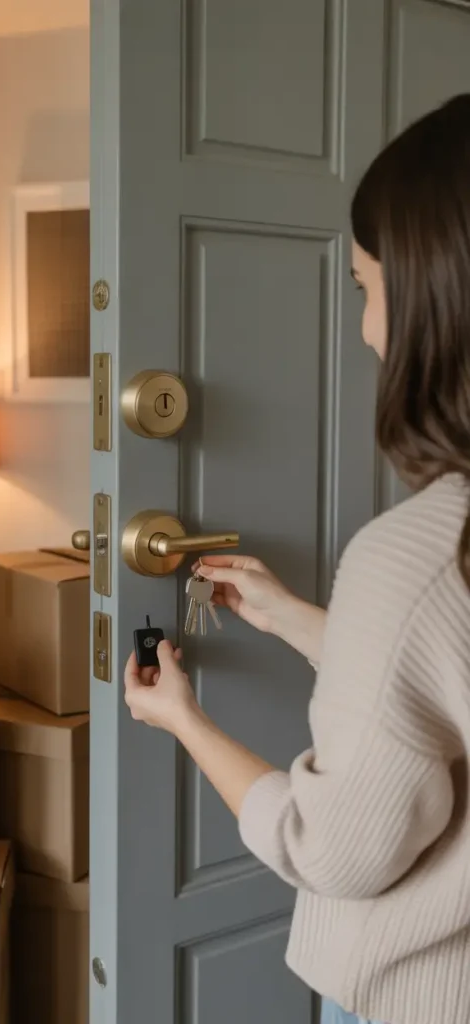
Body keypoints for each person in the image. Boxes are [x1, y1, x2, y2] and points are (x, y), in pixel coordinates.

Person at [124, 94, 470, 1024]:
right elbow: (442, 688)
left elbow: (331, 848)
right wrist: (296, 620)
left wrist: (184, 721)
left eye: (364, 287)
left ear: (433, 295)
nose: (365, 330)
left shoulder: (418, 555)